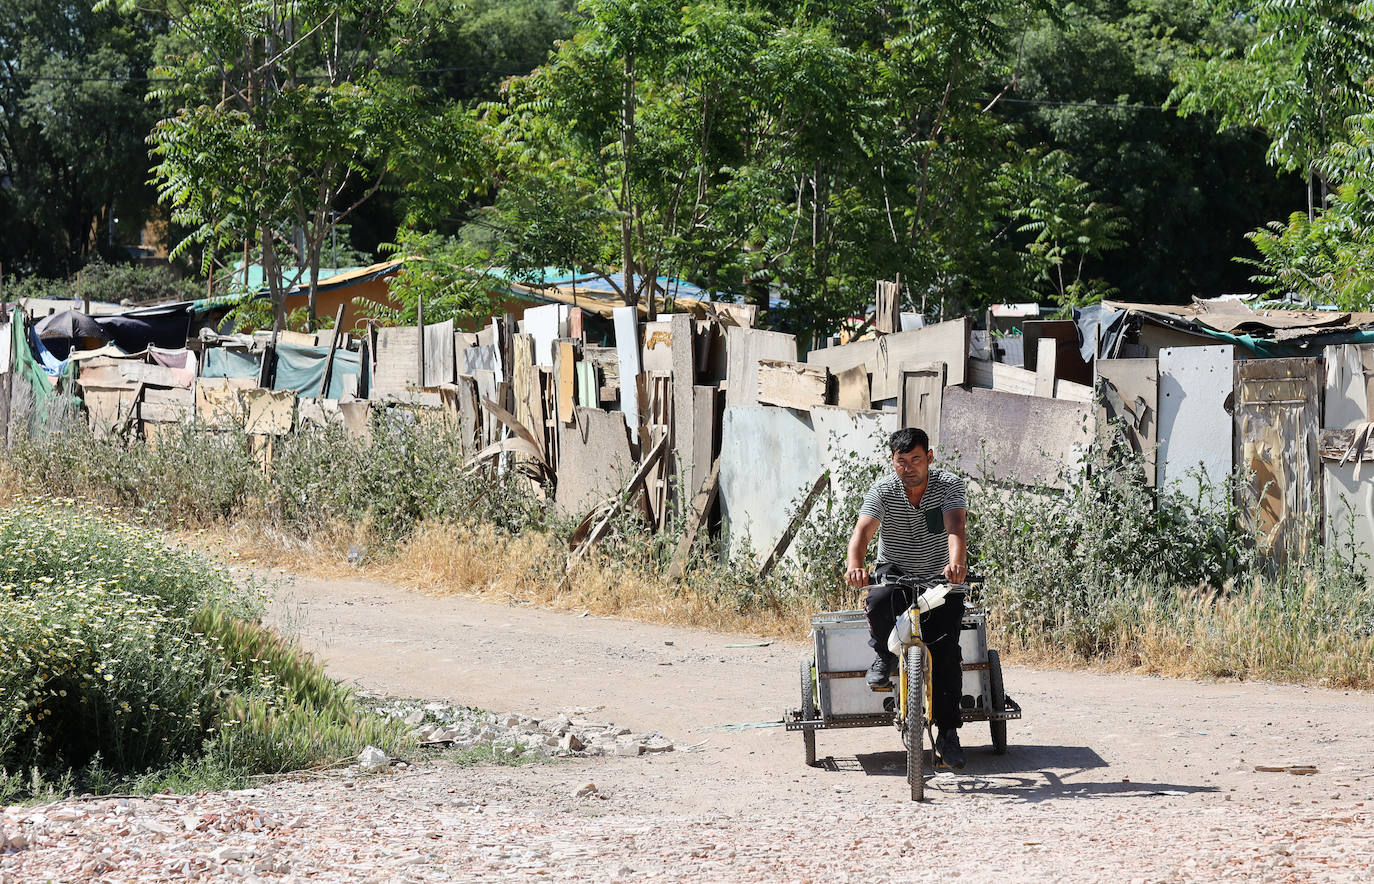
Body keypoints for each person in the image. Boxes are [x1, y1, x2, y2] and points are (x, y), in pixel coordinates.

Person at [845, 427, 969, 769]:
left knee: (946, 656)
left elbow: (955, 527)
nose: (909, 467)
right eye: (902, 461)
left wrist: (956, 565)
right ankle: (884, 656)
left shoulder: (948, 486)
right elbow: (863, 532)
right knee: (878, 600)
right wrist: (856, 566)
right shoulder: (883, 490)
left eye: (916, 459)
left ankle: (948, 734)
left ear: (929, 458)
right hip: (895, 571)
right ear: (893, 461)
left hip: (939, 578)